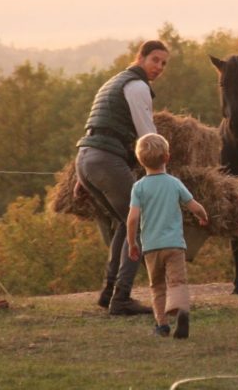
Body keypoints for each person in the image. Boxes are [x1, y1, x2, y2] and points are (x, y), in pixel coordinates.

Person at [73, 40, 169, 315]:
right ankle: (122, 298)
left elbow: (98, 128)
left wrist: (82, 177)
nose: (159, 67)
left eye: (164, 63)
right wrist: (164, 169)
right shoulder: (138, 87)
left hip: (86, 159)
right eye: (155, 60)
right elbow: (148, 135)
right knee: (139, 222)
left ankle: (108, 293)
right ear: (140, 57)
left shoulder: (113, 82)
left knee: (123, 221)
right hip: (105, 161)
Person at [126, 133, 208, 339]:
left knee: (157, 286)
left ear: (140, 160)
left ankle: (162, 325)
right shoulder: (174, 183)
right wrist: (203, 216)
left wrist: (131, 242)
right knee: (178, 281)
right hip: (174, 245)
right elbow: (193, 205)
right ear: (167, 158)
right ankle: (181, 311)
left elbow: (132, 219)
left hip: (151, 247)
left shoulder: (139, 187)